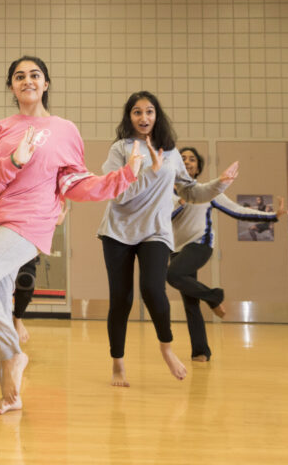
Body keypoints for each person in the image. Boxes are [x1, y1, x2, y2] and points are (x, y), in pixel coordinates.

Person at [0, 56, 144, 415]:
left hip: (30, 221)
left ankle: (14, 355)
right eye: (19, 76)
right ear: (11, 86)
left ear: (46, 84)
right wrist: (13, 161)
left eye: (35, 75)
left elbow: (74, 182)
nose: (27, 80)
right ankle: (11, 396)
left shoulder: (65, 130)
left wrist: (123, 176)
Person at [98, 91, 239, 388]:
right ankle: (118, 364)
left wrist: (219, 184)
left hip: (155, 232)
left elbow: (190, 192)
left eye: (149, 111)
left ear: (157, 116)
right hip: (119, 232)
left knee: (153, 289)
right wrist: (150, 172)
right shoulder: (121, 150)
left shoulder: (172, 153)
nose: (144, 117)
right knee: (121, 300)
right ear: (129, 117)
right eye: (137, 112)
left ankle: (166, 348)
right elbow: (117, 194)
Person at [168, 146, 287, 361]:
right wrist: (180, 201)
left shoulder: (208, 191)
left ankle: (214, 296)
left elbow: (238, 210)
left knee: (173, 275)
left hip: (199, 245)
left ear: (197, 168)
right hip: (176, 248)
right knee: (190, 302)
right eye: (182, 158)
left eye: (191, 159)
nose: (186, 162)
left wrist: (273, 217)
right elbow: (160, 220)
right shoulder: (166, 193)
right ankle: (201, 351)